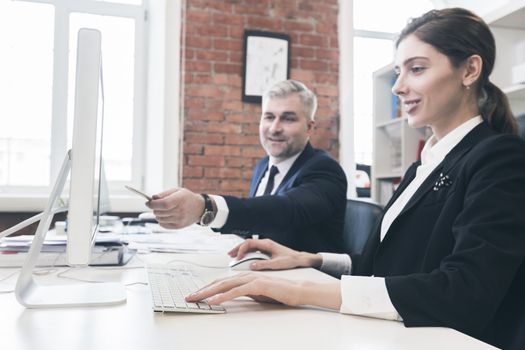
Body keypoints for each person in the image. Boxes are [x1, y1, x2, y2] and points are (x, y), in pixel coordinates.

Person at [185, 8, 525, 350]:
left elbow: (465, 290)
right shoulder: (424, 164)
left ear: (470, 70)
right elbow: (386, 265)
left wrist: (303, 290)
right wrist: (311, 259)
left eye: (416, 69)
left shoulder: (499, 158)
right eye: (397, 71)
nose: (397, 86)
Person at [147, 80, 348, 253]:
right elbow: (256, 224)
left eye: (288, 119)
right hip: (260, 274)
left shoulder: (325, 170)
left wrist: (205, 207)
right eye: (269, 117)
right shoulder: (263, 167)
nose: (275, 128)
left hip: (310, 285)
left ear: (310, 127)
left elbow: (284, 211)